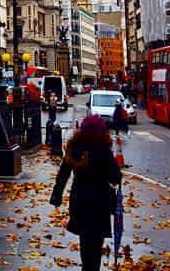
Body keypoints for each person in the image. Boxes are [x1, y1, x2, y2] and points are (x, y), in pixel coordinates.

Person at [49, 115, 122, 271]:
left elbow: (63, 173)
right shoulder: (104, 151)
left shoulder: (74, 148)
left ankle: (87, 267)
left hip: (80, 200)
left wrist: (57, 195)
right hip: (99, 203)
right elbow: (115, 178)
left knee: (85, 241)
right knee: (96, 244)